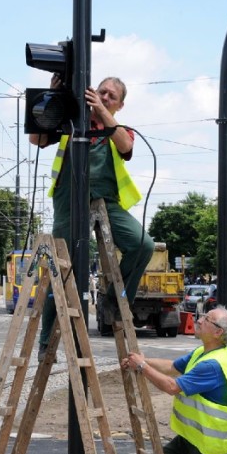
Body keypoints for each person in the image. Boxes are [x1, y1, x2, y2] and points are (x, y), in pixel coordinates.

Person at [30, 76, 154, 361]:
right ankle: (46, 340)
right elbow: (36, 138)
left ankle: (114, 301)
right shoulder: (70, 119)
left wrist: (101, 112)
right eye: (101, 92)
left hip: (105, 200)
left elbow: (125, 147)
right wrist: (52, 96)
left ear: (120, 105)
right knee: (61, 266)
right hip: (69, 199)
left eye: (111, 96)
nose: (105, 96)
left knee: (143, 245)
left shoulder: (118, 128)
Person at [121, 307, 227, 454]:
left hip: (208, 448)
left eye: (206, 319)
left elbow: (172, 387)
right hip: (190, 439)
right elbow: (171, 366)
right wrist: (142, 361)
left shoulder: (212, 365)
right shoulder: (202, 352)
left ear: (218, 332)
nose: (198, 320)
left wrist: (141, 366)